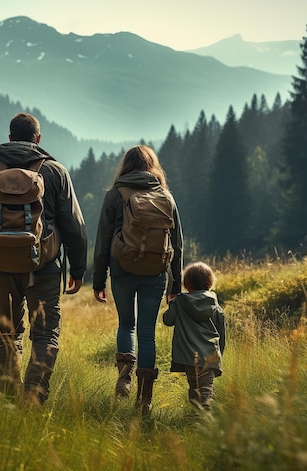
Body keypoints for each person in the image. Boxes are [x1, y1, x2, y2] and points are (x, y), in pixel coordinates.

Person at [0, 112, 87, 406]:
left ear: (10, 138)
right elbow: (74, 226)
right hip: (44, 267)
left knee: (7, 334)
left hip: (0, 267)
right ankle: (33, 396)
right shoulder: (55, 172)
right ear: (38, 139)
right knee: (45, 334)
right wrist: (78, 270)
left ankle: (9, 402)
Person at [93, 144, 183, 413]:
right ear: (153, 167)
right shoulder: (165, 196)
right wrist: (176, 282)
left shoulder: (115, 195)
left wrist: (98, 281)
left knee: (126, 325)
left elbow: (103, 241)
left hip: (122, 269)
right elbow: (177, 243)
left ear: (125, 167)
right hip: (155, 272)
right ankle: (145, 399)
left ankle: (124, 377)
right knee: (147, 333)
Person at [162, 261, 226, 411]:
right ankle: (203, 419)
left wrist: (171, 303)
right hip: (210, 356)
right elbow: (221, 334)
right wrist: (219, 354)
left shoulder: (179, 302)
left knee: (194, 390)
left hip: (189, 357)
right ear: (209, 282)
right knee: (206, 391)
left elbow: (167, 320)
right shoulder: (215, 305)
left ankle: (199, 418)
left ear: (186, 283)